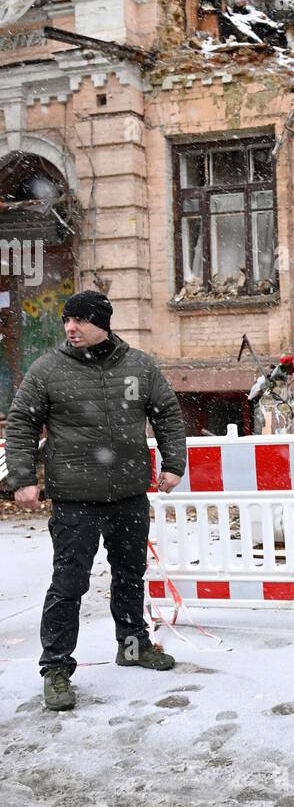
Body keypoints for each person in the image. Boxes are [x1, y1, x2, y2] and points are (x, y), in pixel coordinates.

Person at [5, 290, 188, 711]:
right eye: (66, 321)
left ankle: (133, 645)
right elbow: (21, 424)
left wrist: (173, 463)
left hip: (128, 494)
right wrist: (22, 477)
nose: (70, 328)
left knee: (129, 576)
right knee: (69, 584)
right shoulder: (48, 369)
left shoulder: (139, 365)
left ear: (102, 323)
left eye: (79, 321)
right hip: (75, 499)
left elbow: (167, 413)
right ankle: (55, 667)